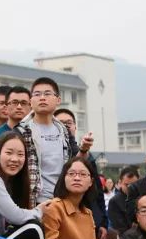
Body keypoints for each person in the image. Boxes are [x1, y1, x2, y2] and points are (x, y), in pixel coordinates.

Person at [17, 78, 93, 206]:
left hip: (63, 201)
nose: (42, 98)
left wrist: (84, 148)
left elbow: (76, 163)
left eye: (47, 94)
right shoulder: (21, 132)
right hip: (34, 202)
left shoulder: (64, 131)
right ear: (30, 101)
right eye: (37, 94)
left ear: (58, 100)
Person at [53, 107, 113, 239]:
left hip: (88, 220)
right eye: (61, 123)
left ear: (75, 127)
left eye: (69, 123)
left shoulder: (87, 156)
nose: (66, 126)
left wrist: (103, 222)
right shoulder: (47, 153)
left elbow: (97, 192)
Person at [0, 86, 33, 167]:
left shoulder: (36, 135)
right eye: (14, 102)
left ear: (30, 107)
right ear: (6, 106)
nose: (19, 107)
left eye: (23, 103)